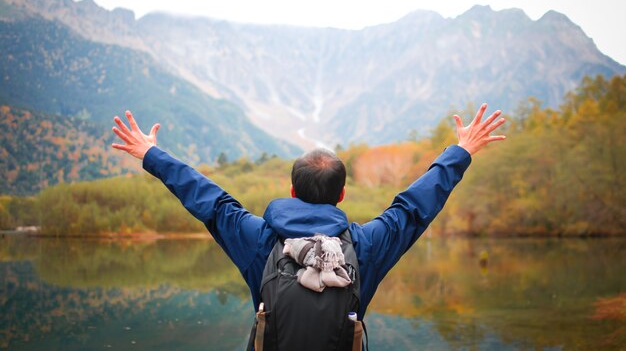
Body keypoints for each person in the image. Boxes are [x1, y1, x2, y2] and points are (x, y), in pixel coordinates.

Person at [111, 103, 505, 345]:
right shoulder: (364, 246)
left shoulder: (259, 241)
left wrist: (151, 154)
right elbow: (413, 208)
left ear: (291, 191)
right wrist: (461, 151)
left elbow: (210, 201)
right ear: (342, 195)